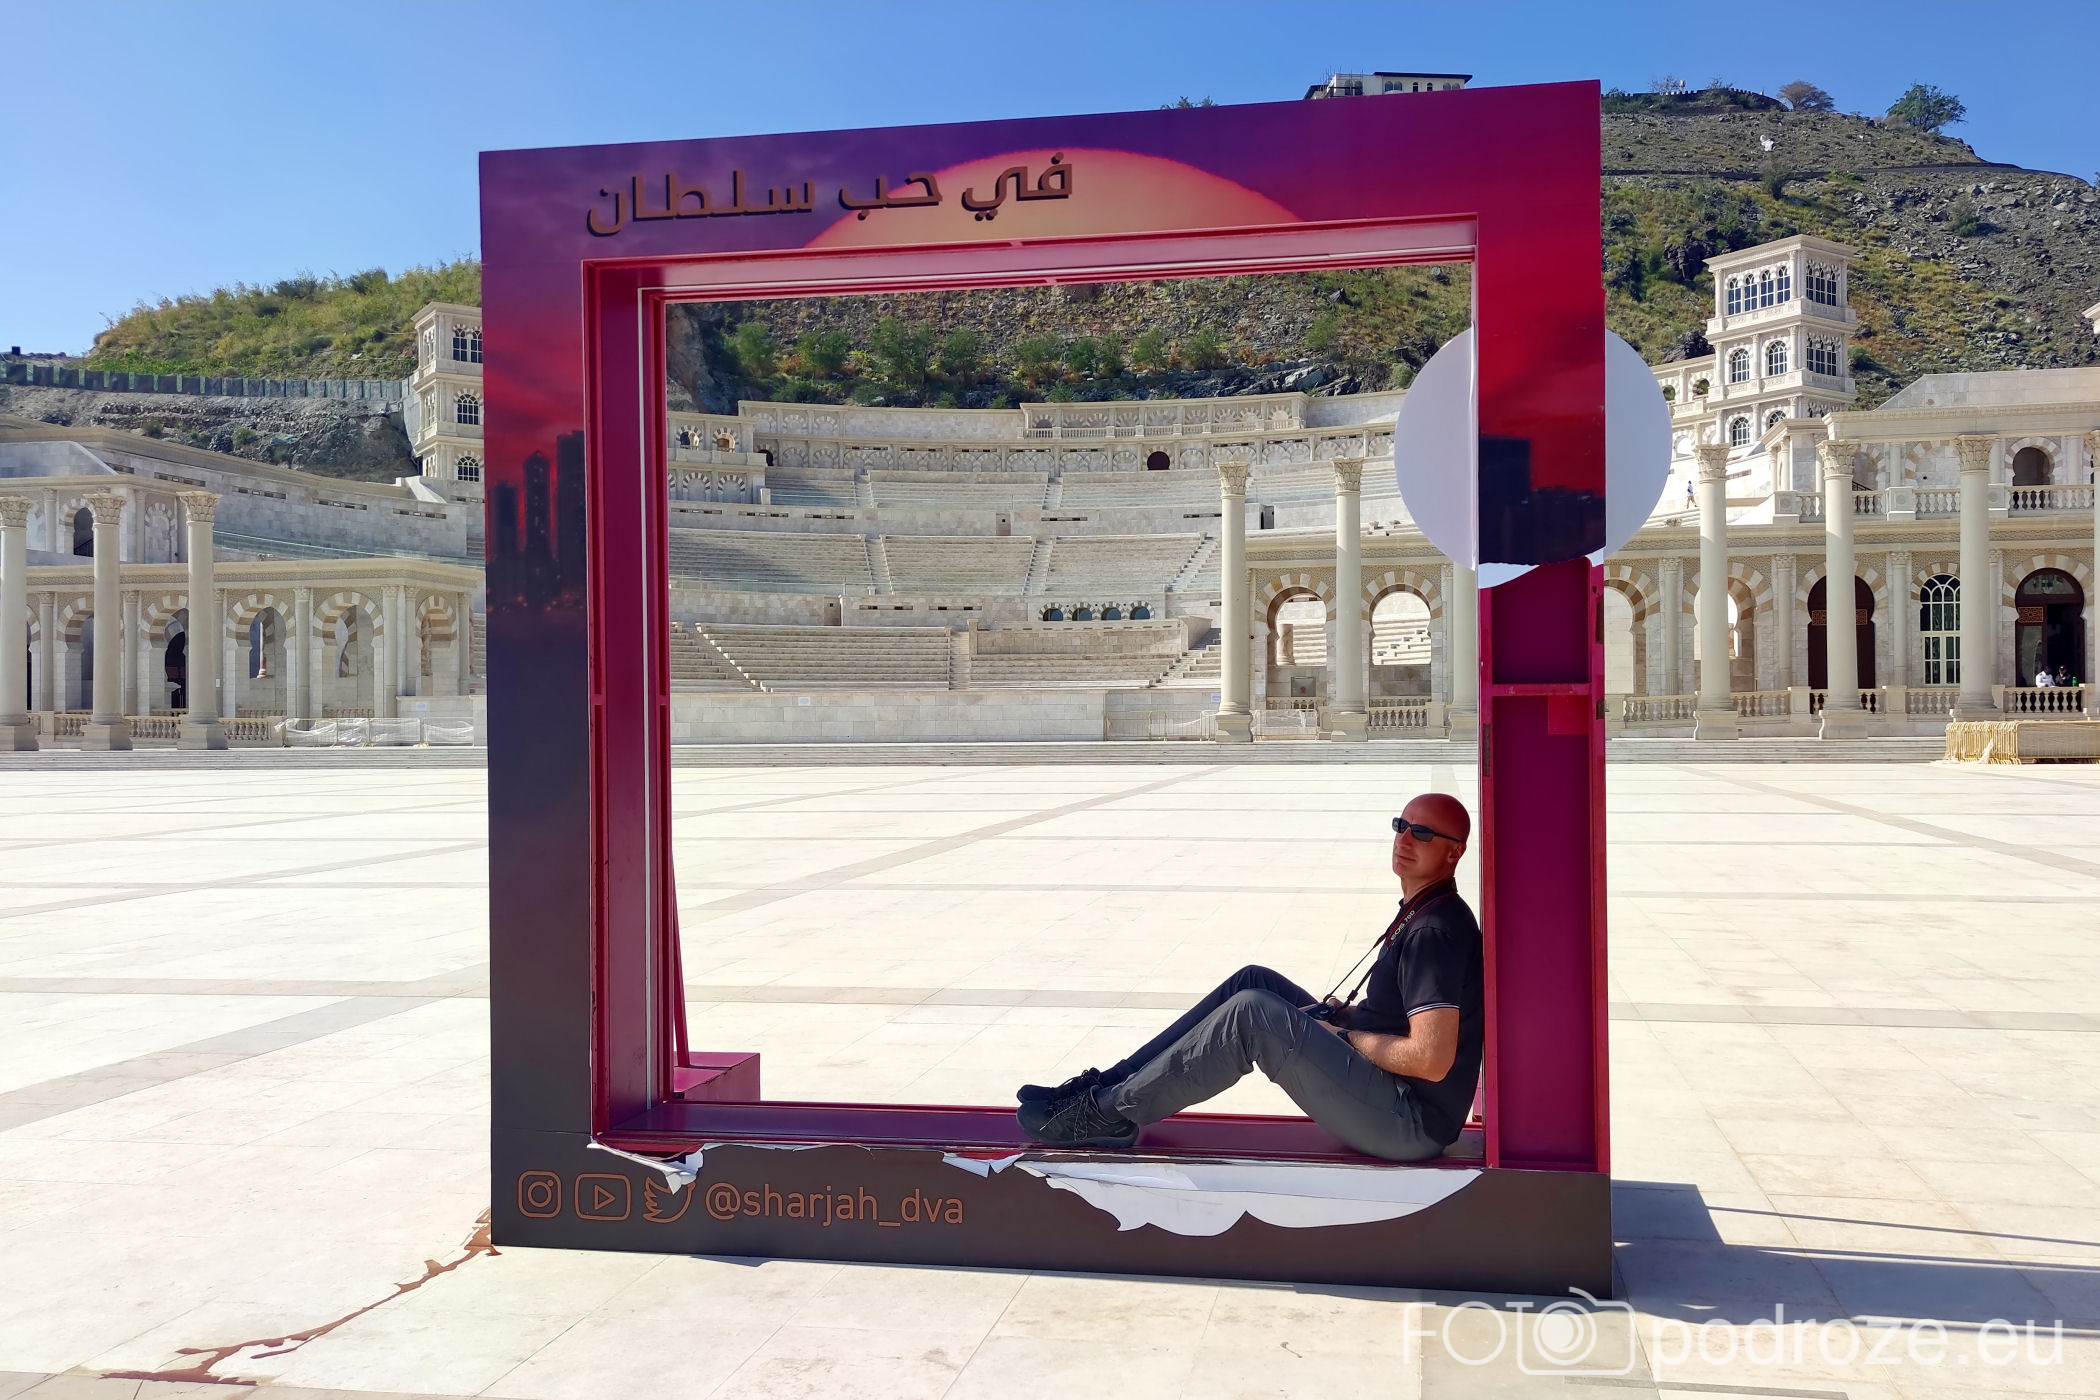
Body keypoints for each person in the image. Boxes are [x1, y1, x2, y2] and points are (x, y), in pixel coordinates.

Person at [1014, 793, 1483, 1162]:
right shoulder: (1427, 910)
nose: (1405, 840)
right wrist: (1348, 1018)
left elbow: (1430, 1059)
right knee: (1253, 980)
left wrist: (1344, 1035)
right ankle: (1105, 1087)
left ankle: (1109, 1113)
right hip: (1387, 1090)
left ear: (1454, 852)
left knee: (1253, 1014)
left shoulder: (1435, 931)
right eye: (1401, 826)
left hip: (1407, 1121)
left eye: (1423, 833)